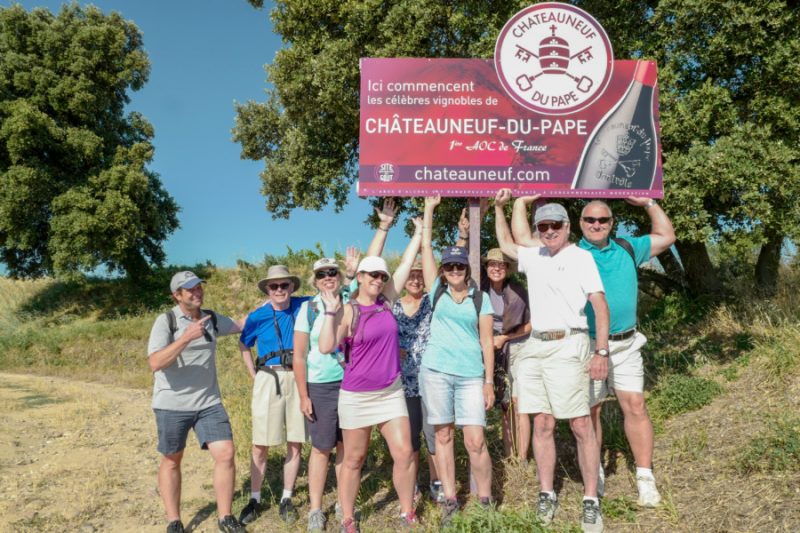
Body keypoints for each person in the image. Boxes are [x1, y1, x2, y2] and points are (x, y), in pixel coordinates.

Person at [495, 188, 610, 533]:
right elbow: (507, 242)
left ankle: (591, 499)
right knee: (542, 424)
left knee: (579, 424)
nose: (548, 231)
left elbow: (599, 305)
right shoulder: (536, 256)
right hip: (536, 348)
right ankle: (546, 493)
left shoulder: (580, 257)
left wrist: (600, 351)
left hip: (569, 344)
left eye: (555, 226)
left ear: (566, 227)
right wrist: (508, 206)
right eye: (542, 226)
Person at [293, 199, 399, 532]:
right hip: (323, 386)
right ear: (315, 280)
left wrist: (383, 226)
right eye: (321, 275)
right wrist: (303, 393)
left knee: (344, 448)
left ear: (341, 276)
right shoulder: (307, 309)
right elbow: (299, 356)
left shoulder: (352, 296)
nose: (327, 278)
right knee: (322, 448)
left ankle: (343, 502)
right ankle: (314, 508)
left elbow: (372, 266)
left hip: (353, 384)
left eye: (332, 273)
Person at [317, 219, 423, 533]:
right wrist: (329, 312)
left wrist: (419, 232)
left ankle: (407, 512)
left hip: (391, 391)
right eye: (372, 274)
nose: (378, 279)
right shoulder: (348, 310)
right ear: (360, 277)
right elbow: (325, 346)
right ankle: (347, 517)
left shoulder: (387, 302)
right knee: (354, 458)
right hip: (357, 395)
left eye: (382, 275)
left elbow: (405, 263)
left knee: (404, 452)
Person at [578, 198, 675, 506]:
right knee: (591, 411)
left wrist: (648, 202)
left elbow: (667, 236)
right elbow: (523, 245)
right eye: (590, 219)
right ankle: (595, 469)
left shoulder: (628, 247)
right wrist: (518, 203)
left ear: (612, 223)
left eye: (603, 220)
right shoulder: (570, 253)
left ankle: (645, 477)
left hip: (627, 343)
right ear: (580, 223)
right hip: (587, 345)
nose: (596, 224)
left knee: (635, 405)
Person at [147, 271, 245, 533]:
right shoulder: (165, 321)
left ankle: (225, 517)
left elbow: (239, 325)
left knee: (225, 453)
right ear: (177, 295)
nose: (196, 292)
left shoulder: (211, 318)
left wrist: (273, 301)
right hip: (172, 404)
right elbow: (155, 362)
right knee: (172, 460)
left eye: (198, 287)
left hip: (208, 402)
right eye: (189, 289)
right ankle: (174, 521)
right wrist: (186, 337)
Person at [419, 195, 495, 526]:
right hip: (435, 372)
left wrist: (489, 381)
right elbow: (426, 250)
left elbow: (487, 342)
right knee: (444, 437)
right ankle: (450, 499)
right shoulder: (436, 288)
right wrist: (429, 209)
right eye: (448, 266)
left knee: (475, 440)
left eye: (459, 266)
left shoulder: (481, 297)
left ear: (466, 268)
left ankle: (485, 499)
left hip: (471, 376)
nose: (453, 270)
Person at [238, 265, 310, 526]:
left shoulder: (303, 305)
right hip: (268, 376)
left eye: (284, 285)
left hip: (298, 375)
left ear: (292, 286)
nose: (279, 290)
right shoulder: (258, 316)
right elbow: (244, 344)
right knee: (261, 443)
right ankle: (255, 498)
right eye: (274, 286)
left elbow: (331, 295)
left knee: (295, 440)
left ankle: (286, 498)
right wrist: (254, 375)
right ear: (267, 289)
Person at [393, 259, 442, 503]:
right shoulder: (392, 305)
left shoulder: (432, 302)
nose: (415, 280)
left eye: (419, 275)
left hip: (431, 377)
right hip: (402, 381)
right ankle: (411, 483)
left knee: (433, 433)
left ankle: (436, 481)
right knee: (409, 436)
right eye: (411, 276)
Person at [481, 248, 532, 458]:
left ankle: (520, 459)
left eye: (501, 265)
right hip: (487, 345)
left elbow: (531, 325)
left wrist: (504, 338)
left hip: (517, 346)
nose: (496, 268)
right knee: (503, 404)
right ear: (486, 267)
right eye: (492, 264)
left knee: (518, 403)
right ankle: (508, 454)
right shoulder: (479, 290)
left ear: (508, 268)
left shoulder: (518, 291)